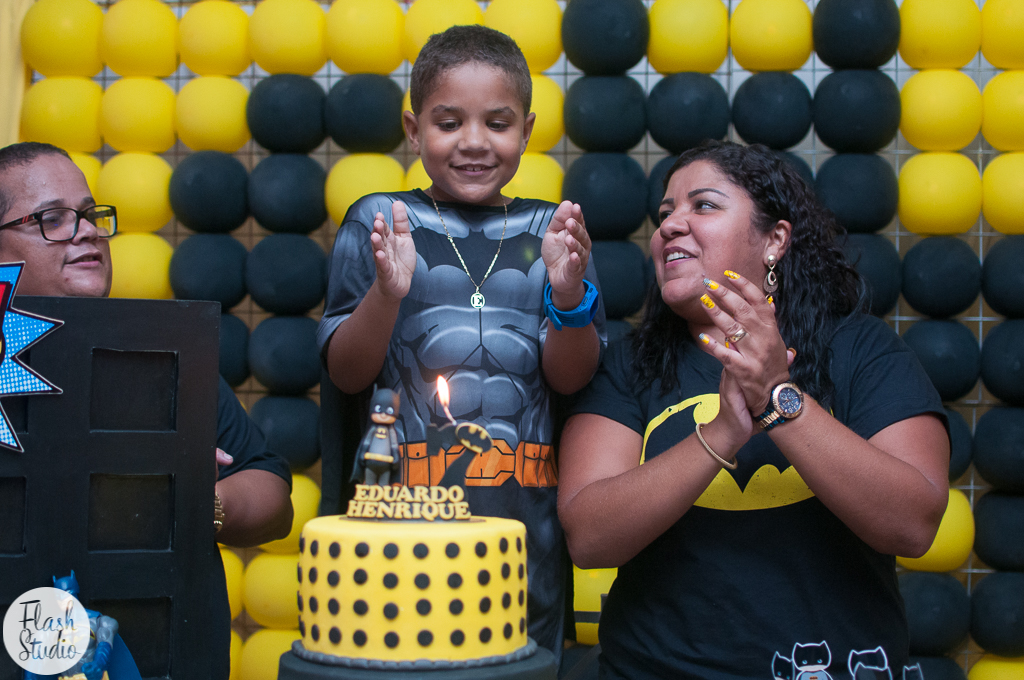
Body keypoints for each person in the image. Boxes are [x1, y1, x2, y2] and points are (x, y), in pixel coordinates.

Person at [557, 141, 950, 679]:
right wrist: (718, 436)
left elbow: (914, 524)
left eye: (704, 205)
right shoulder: (628, 366)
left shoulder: (860, 349)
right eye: (666, 213)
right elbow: (588, 536)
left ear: (774, 239)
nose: (671, 225)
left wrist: (775, 399)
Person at [318, 25, 606, 661]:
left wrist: (566, 294)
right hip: (394, 530)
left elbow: (571, 379)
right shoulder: (381, 219)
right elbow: (345, 374)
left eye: (497, 123)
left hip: (525, 530)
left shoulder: (550, 228)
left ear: (528, 131)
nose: (474, 142)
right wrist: (387, 295)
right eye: (448, 123)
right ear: (413, 128)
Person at [0, 141, 293, 678]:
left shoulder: (167, 352)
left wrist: (201, 502)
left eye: (90, 215)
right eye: (52, 219)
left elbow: (274, 498)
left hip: (164, 651)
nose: (87, 230)